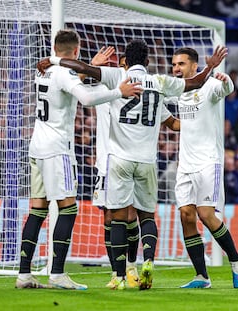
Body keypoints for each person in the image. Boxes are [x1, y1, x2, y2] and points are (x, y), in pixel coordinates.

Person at [39, 39, 228, 290]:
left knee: (116, 217)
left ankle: (119, 275)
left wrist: (53, 60)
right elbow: (194, 83)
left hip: (117, 159)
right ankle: (147, 261)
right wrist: (210, 67)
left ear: (125, 61)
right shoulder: (159, 81)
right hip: (147, 161)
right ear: (148, 61)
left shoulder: (116, 76)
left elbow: (82, 69)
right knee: (146, 216)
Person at [15, 29, 142, 290]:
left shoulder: (43, 69)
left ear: (55, 47)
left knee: (37, 210)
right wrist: (119, 91)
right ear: (76, 50)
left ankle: (24, 274)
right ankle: (58, 274)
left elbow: (66, 81)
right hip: (57, 149)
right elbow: (85, 97)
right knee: (68, 208)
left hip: (37, 146)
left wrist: (90, 68)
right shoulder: (63, 73)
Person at [171, 47, 238, 289]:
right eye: (174, 64)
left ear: (194, 66)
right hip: (185, 164)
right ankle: (202, 277)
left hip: (208, 161)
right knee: (186, 216)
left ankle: (236, 260)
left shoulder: (210, 85)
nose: (176, 69)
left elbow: (227, 89)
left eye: (181, 64)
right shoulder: (178, 89)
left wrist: (225, 79)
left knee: (205, 214)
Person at [91, 54, 140, 288]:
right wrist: (93, 66)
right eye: (117, 65)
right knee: (109, 217)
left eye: (123, 64)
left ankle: (131, 266)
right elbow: (79, 83)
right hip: (106, 162)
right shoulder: (103, 87)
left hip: (130, 160)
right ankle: (115, 271)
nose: (121, 69)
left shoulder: (139, 89)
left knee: (130, 215)